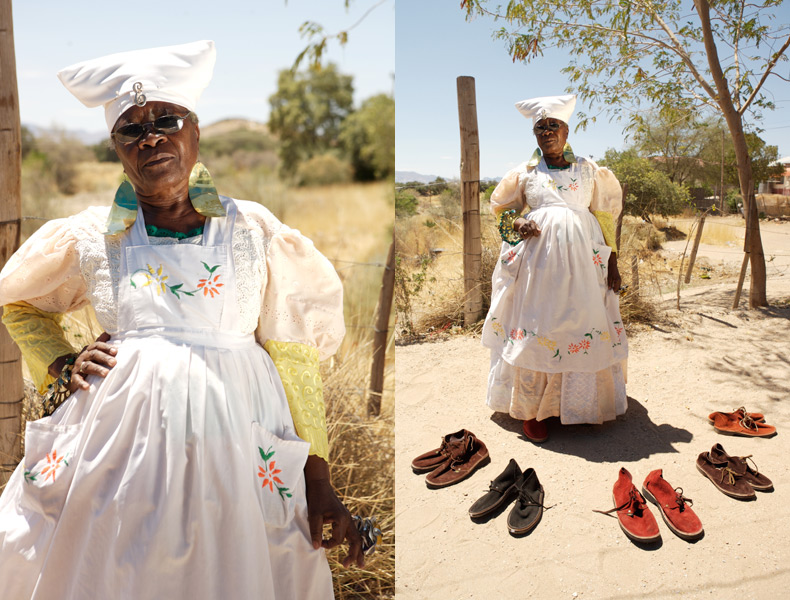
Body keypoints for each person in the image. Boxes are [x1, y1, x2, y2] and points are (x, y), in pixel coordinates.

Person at [0, 40, 362, 599]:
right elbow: (18, 302)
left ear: (194, 133)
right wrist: (61, 361)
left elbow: (293, 353)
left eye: (166, 120)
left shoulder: (253, 230)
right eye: (131, 128)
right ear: (117, 149)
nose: (151, 137)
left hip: (241, 453)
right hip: (116, 457)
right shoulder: (93, 237)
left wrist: (319, 476)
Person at [481, 94, 628, 443]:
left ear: (566, 130)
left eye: (553, 126)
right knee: (539, 323)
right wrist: (518, 226)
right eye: (540, 128)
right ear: (534, 134)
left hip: (585, 265)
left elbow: (604, 216)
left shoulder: (590, 171)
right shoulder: (524, 173)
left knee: (583, 322)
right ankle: (533, 410)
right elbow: (502, 213)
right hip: (537, 267)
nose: (546, 132)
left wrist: (614, 260)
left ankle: (582, 404)